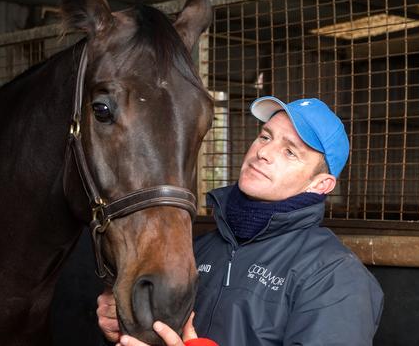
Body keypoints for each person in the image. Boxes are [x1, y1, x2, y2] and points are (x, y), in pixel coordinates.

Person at [97, 96, 384, 346]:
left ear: (321, 185)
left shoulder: (334, 277)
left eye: (290, 151)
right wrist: (127, 324)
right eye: (265, 136)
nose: (263, 153)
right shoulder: (198, 249)